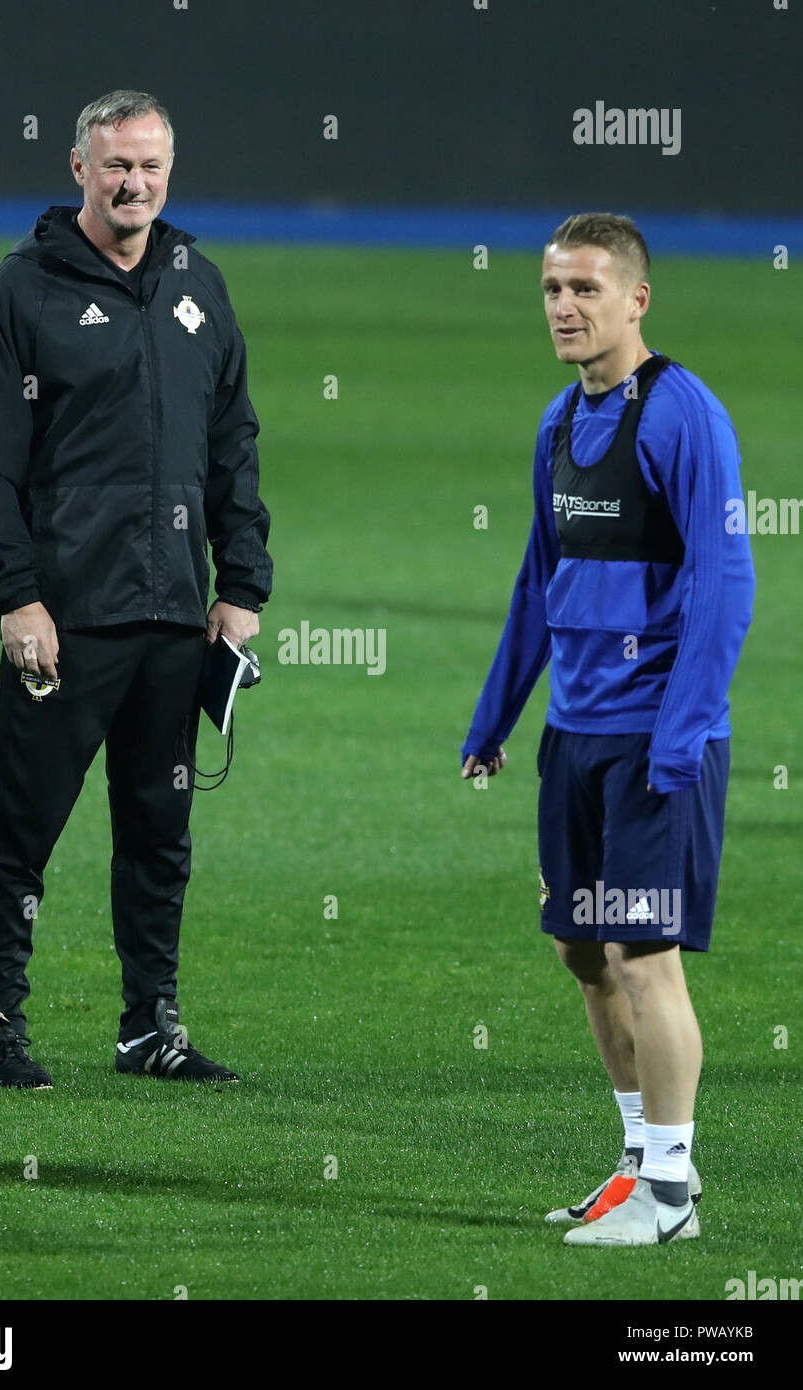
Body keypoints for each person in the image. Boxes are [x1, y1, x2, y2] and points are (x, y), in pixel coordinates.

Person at [0, 90, 271, 1089]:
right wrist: (18, 597)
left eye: (151, 166)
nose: (135, 184)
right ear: (78, 170)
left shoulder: (199, 286)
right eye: (116, 166)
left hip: (176, 620)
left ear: (170, 170)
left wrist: (242, 583)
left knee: (160, 835)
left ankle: (151, 1027)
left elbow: (233, 447)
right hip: (67, 623)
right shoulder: (20, 293)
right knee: (21, 829)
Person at [461, 212, 754, 1246]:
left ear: (637, 299)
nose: (565, 308)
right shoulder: (556, 423)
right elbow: (539, 582)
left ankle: (673, 1193)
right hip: (574, 739)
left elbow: (726, 587)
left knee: (644, 955)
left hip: (653, 742)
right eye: (551, 290)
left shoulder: (684, 416)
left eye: (586, 289)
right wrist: (496, 714)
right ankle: (635, 1167)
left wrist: (682, 734)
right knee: (585, 954)